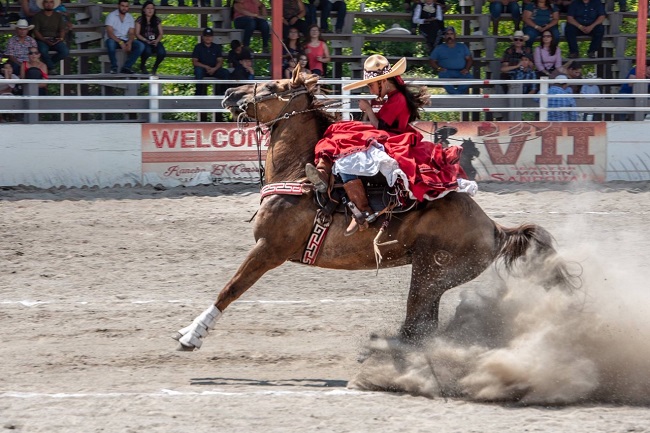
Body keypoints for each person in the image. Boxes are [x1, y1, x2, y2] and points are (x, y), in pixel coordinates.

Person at [307, 55, 475, 235]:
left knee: (344, 140)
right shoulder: (394, 97)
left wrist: (369, 110)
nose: (370, 89)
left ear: (383, 81)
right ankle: (325, 173)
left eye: (371, 85)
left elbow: (381, 127)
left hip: (393, 139)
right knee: (340, 131)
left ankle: (362, 208)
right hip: (389, 136)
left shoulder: (398, 99)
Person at [429, 26, 473, 95]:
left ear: (455, 35)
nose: (449, 36)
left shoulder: (462, 46)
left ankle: (456, 95)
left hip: (461, 71)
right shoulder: (439, 48)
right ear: (444, 36)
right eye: (447, 34)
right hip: (446, 71)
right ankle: (456, 95)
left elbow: (469, 59)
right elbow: (432, 60)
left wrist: (467, 69)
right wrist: (439, 68)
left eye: (451, 34)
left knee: (469, 77)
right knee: (442, 75)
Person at [104, 0, 144, 74]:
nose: (124, 8)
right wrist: (120, 42)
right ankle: (114, 67)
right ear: (118, 6)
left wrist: (130, 42)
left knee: (140, 45)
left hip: (125, 39)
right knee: (110, 43)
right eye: (122, 6)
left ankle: (127, 67)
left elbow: (132, 33)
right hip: (113, 39)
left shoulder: (130, 17)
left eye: (126, 6)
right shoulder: (111, 15)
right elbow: (110, 33)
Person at [32, 0, 69, 75]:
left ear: (53, 4)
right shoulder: (37, 16)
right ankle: (51, 68)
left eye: (51, 2)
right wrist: (44, 40)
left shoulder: (58, 16)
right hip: (42, 39)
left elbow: (62, 29)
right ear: (43, 4)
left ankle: (46, 65)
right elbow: (36, 31)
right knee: (43, 50)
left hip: (55, 39)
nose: (48, 4)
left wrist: (61, 38)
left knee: (65, 52)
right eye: (46, 2)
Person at [191, 27, 230, 96]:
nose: (208, 38)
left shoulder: (217, 47)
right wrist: (206, 67)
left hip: (214, 69)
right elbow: (195, 62)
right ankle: (199, 93)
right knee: (198, 71)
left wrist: (214, 68)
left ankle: (222, 93)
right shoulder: (198, 47)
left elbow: (220, 61)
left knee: (225, 73)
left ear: (212, 37)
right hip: (202, 68)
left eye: (210, 36)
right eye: (206, 36)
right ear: (203, 37)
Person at [134, 0, 166, 75]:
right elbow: (137, 34)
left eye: (152, 8)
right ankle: (142, 65)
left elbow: (161, 33)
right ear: (144, 10)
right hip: (143, 40)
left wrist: (157, 41)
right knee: (147, 51)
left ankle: (155, 67)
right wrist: (146, 40)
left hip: (155, 40)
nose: (150, 10)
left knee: (162, 53)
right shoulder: (139, 19)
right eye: (148, 8)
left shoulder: (157, 20)